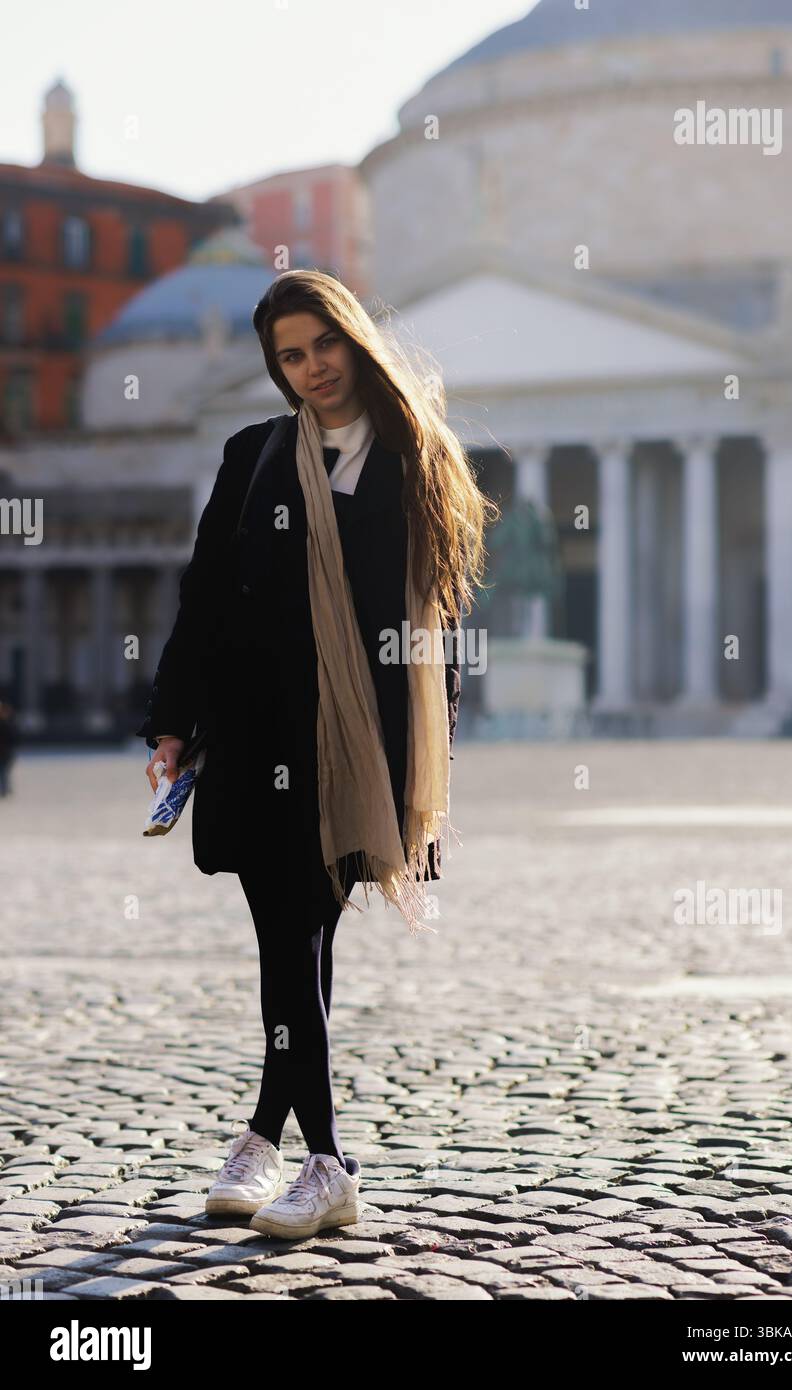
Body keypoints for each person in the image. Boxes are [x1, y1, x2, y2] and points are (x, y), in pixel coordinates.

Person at [136, 269, 498, 1240]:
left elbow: (436, 623)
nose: (311, 370)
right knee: (292, 938)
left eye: (323, 346)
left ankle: (303, 1153)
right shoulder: (252, 454)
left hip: (362, 734)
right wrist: (172, 721)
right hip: (257, 732)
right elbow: (205, 594)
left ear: (354, 340)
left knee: (298, 938)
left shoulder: (416, 454)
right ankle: (290, 1146)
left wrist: (428, 758)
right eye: (289, 356)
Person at [0, 700, 19, 797]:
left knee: (4, 773)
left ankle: (5, 790)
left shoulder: (7, 724)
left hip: (5, 753)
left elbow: (12, 739)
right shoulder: (8, 724)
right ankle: (6, 789)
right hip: (6, 753)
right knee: (4, 773)